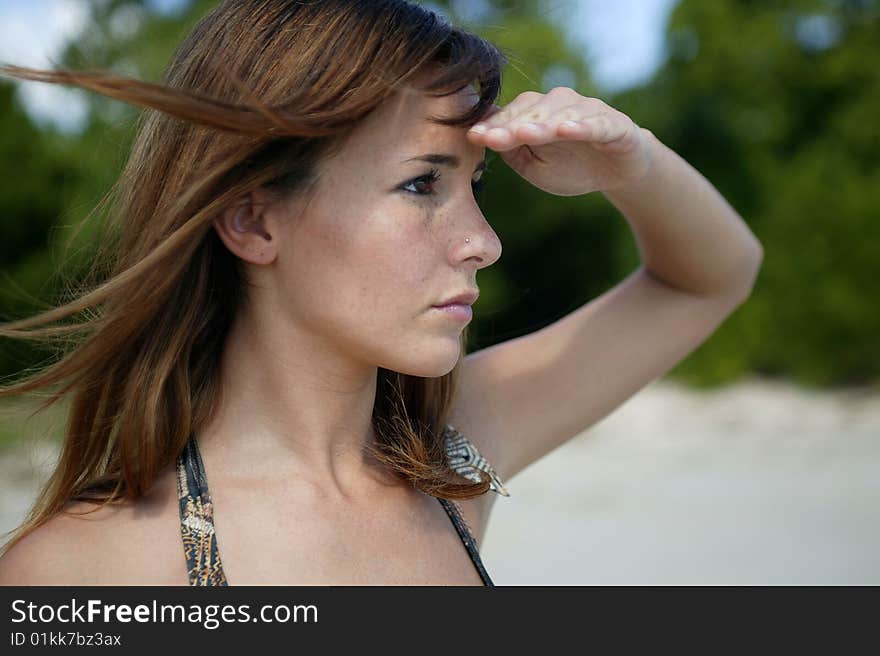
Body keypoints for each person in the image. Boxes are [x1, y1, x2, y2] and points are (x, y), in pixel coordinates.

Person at [0, 0, 762, 586]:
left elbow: (712, 276)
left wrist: (634, 164)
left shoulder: (453, 453)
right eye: (422, 183)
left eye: (476, 182)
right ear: (252, 220)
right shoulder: (87, 570)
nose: (484, 241)